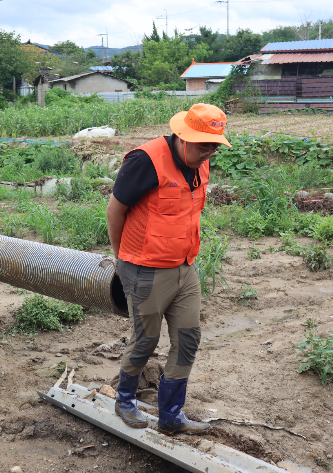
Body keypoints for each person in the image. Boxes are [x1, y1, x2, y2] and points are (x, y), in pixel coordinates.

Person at [106, 103, 231, 434]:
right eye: (204, 145)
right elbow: (115, 211)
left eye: (214, 146)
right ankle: (125, 400)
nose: (208, 153)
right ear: (183, 136)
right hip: (145, 269)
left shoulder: (200, 165)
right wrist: (121, 258)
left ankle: (171, 415)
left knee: (188, 339)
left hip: (185, 268)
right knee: (145, 341)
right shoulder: (145, 161)